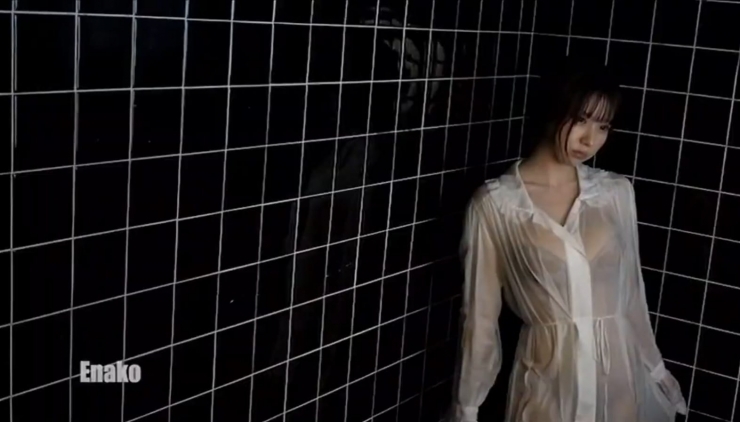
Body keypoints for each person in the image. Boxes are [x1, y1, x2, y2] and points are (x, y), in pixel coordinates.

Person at [450, 60, 688, 422]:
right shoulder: (496, 205)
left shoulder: (615, 193)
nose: (590, 139)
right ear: (552, 110)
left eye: (603, 126)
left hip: (621, 388)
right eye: (580, 120)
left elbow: (632, 298)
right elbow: (479, 319)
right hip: (549, 394)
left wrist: (658, 373)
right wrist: (466, 408)